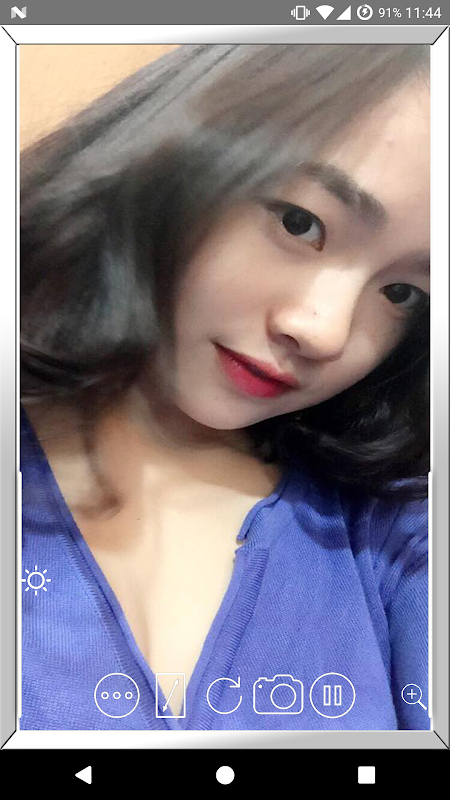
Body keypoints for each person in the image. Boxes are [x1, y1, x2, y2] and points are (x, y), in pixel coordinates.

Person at [20, 44, 430, 730]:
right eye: (300, 222)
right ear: (168, 156)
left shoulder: (390, 528)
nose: (323, 330)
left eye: (401, 293)